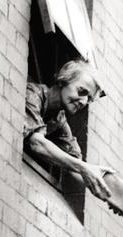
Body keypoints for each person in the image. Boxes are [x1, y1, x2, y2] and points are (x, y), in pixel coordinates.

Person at [24, 59, 113, 200]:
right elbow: (37, 143)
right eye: (82, 91)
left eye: (89, 99)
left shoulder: (59, 120)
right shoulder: (32, 94)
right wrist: (84, 168)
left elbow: (78, 168)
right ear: (62, 80)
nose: (84, 102)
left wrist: (113, 194)